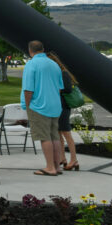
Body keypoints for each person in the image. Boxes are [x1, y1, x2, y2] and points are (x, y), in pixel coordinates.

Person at [20, 40, 65, 176]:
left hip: (39, 106)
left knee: (44, 137)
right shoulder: (54, 64)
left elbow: (28, 89)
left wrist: (27, 105)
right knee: (54, 136)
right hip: (55, 105)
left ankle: (50, 167)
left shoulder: (31, 64)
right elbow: (60, 88)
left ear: (30, 51)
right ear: (43, 49)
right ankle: (57, 166)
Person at [52, 53, 80, 171]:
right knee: (59, 133)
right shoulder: (57, 74)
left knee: (66, 133)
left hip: (63, 107)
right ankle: (62, 158)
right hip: (58, 106)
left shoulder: (63, 73)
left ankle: (74, 159)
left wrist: (56, 89)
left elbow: (68, 89)